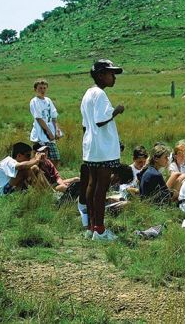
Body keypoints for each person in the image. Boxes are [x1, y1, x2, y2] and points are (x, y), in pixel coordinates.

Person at [81, 59, 125, 241]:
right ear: (100, 75)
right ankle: (99, 230)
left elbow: (86, 125)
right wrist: (117, 110)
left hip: (91, 146)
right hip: (103, 149)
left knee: (92, 185)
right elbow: (101, 120)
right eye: (110, 73)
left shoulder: (87, 94)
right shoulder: (100, 94)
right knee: (101, 187)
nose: (114, 77)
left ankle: (91, 227)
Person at [29, 78, 62, 167]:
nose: (42, 90)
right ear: (35, 89)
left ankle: (51, 174)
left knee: (55, 158)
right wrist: (49, 132)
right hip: (40, 135)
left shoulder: (48, 100)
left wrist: (57, 130)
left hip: (50, 134)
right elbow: (39, 118)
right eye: (40, 88)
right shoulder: (34, 101)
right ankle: (40, 174)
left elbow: (54, 116)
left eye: (44, 88)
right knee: (40, 160)